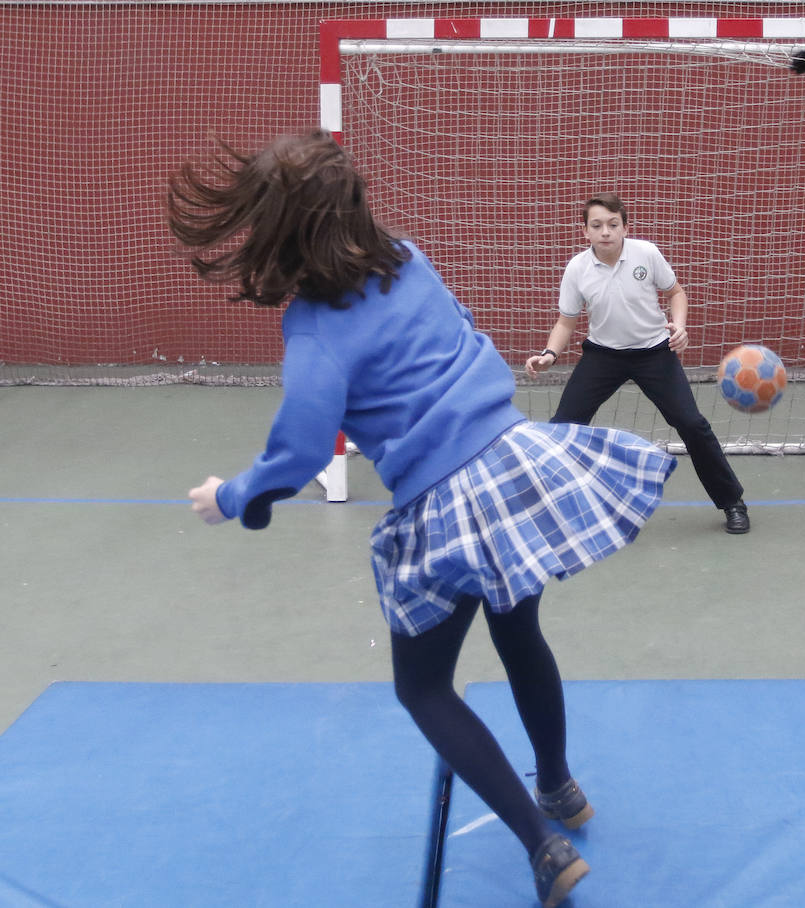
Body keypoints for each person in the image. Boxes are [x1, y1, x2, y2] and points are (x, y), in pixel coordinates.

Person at [170, 130, 678, 907]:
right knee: (517, 627)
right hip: (514, 460)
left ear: (280, 233)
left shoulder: (314, 327)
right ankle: (560, 789)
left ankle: (544, 848)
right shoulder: (406, 255)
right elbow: (464, 325)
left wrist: (235, 497)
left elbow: (302, 448)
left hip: (450, 504)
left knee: (424, 688)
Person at [525, 193, 751, 535]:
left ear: (625, 228)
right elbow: (566, 322)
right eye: (597, 225)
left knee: (692, 424)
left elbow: (676, 292)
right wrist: (549, 355)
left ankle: (732, 502)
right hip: (603, 356)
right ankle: (550, 508)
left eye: (613, 225)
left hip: (654, 354)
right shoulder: (577, 268)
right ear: (585, 231)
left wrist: (680, 325)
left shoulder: (646, 254)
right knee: (562, 430)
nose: (605, 232)